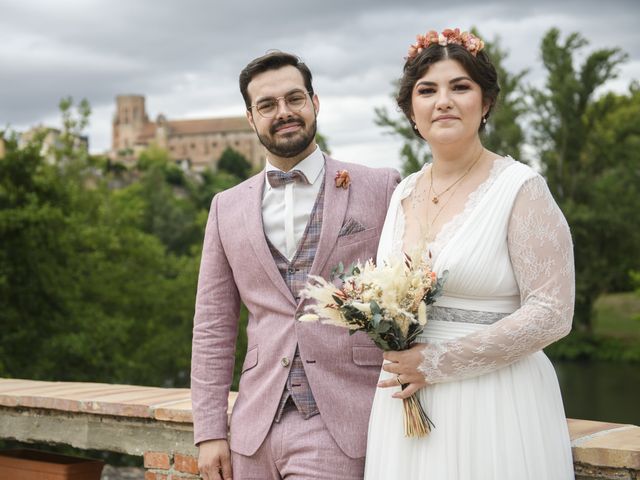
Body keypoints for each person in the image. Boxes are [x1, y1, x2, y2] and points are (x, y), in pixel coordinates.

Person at [364, 29, 575, 479]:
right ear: (411, 111)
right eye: (428, 90)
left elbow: (553, 312)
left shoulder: (521, 188)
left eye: (460, 86)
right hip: (406, 408)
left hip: (497, 402)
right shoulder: (402, 192)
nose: (443, 101)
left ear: (486, 103)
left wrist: (439, 363)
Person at [191, 51, 401, 480]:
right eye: (267, 105)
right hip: (253, 429)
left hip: (344, 421)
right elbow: (213, 324)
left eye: (294, 98)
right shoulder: (225, 207)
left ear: (315, 103)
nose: (283, 112)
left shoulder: (380, 187)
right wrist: (210, 430)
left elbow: (409, 299)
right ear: (251, 118)